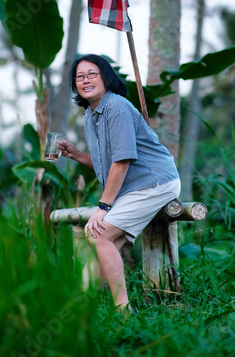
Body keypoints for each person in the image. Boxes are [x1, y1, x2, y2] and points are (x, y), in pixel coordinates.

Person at [58, 54, 180, 312]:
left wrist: (103, 207)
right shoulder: (90, 116)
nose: (85, 80)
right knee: (103, 241)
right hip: (132, 188)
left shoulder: (116, 106)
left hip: (154, 182)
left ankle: (122, 311)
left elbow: (122, 161)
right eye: (80, 77)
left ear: (106, 77)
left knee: (99, 236)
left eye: (92, 74)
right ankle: (84, 306)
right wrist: (76, 154)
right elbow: (106, 163)